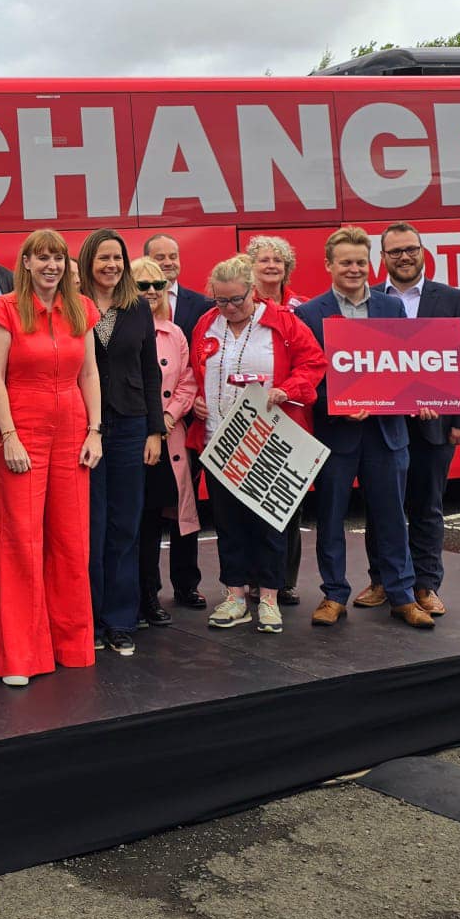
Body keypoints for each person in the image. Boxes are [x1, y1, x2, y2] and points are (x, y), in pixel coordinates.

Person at [295, 228, 435, 631]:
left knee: (392, 517)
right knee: (331, 516)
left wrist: (421, 395)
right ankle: (333, 594)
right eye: (346, 262)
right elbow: (307, 381)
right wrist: (336, 406)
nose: (354, 269)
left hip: (387, 434)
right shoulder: (310, 314)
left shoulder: (393, 309)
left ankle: (402, 596)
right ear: (329, 266)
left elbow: (407, 367)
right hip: (336, 436)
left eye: (360, 262)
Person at [0, 229, 101, 687]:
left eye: (57, 257)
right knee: (21, 542)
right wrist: (8, 436)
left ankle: (71, 643)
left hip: (73, 426)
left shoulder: (80, 308)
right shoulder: (4, 309)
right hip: (23, 425)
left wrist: (95, 431)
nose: (50, 265)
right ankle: (21, 654)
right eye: (41, 257)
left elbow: (89, 371)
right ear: (26, 262)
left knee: (72, 540)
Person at [187, 255, 325, 636]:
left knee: (269, 526)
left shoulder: (282, 322)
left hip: (269, 441)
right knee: (228, 525)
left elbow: (313, 363)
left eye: (237, 300)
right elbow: (196, 370)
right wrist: (198, 400)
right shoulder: (205, 323)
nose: (229, 309)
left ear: (252, 290)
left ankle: (268, 598)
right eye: (221, 301)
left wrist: (287, 390)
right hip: (220, 440)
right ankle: (234, 596)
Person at [356, 221, 460, 615]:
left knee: (427, 505)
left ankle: (426, 585)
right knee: (381, 505)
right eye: (395, 251)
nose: (404, 257)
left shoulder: (452, 298)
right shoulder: (368, 298)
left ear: (423, 251)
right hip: (383, 424)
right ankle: (381, 580)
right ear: (383, 257)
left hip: (435, 424)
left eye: (411, 249)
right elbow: (362, 361)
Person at [78, 229, 164, 657]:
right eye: (103, 258)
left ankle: (119, 621)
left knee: (125, 527)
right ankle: (89, 620)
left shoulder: (137, 308)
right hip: (84, 427)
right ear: (88, 261)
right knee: (89, 528)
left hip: (131, 426)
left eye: (117, 258)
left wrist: (155, 430)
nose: (111, 265)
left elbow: (151, 372)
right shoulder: (73, 306)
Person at [129, 256, 201, 626]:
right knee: (141, 524)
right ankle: (144, 596)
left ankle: (179, 588)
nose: (152, 292)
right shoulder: (120, 327)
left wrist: (169, 417)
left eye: (158, 285)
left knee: (173, 516)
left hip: (169, 439)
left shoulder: (174, 333)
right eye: (143, 285)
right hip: (134, 440)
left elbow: (187, 381)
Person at [244, 233, 306, 604]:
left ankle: (283, 581)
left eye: (277, 260)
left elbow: (313, 360)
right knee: (249, 502)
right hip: (250, 418)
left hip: (291, 418)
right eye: (263, 259)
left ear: (287, 268)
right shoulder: (237, 307)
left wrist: (291, 389)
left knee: (288, 502)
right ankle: (253, 578)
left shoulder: (303, 308)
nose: (271, 266)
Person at [142, 233, 212, 351]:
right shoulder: (133, 303)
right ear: (146, 261)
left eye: (173, 257)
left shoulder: (203, 305)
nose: (168, 263)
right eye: (160, 258)